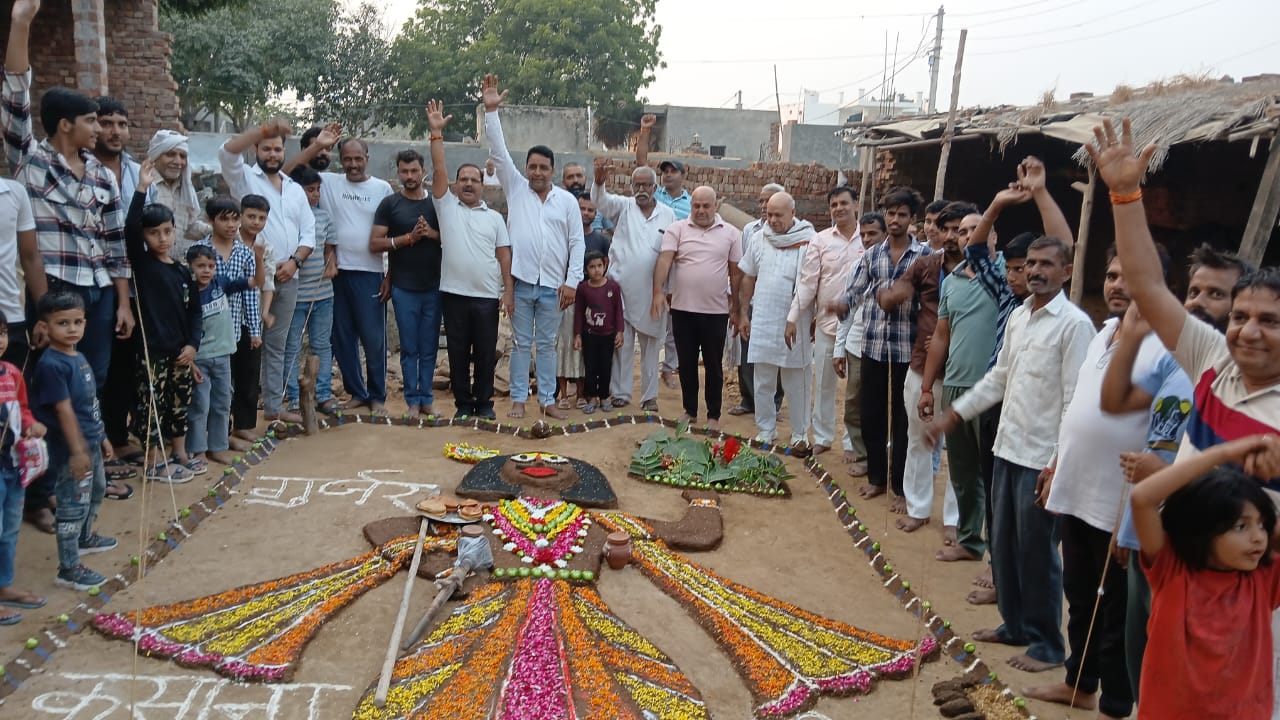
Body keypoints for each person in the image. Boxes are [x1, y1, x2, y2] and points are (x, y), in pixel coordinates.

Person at [1089, 115, 1280, 702]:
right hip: (1171, 558)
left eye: (1270, 321)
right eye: (1241, 316)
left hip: (1255, 595)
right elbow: (1148, 287)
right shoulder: (1212, 357)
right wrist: (1126, 195)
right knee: (1159, 687)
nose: (1248, 331)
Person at [926, 235, 1094, 673]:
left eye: (1046, 264)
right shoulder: (1019, 315)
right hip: (1007, 447)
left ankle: (1047, 645)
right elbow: (999, 377)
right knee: (1003, 544)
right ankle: (1015, 625)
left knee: (1038, 552)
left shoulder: (1074, 326)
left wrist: (1057, 464)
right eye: (1030, 263)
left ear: (1067, 272)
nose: (1035, 271)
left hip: (1041, 458)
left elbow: (1074, 401)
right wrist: (955, 414)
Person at [1025, 244, 1173, 718]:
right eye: (1111, 276)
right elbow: (1078, 406)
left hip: (1119, 506)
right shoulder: (1104, 332)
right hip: (1078, 492)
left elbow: (1164, 442)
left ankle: (1114, 702)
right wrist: (1055, 465)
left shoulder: (1167, 349)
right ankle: (1079, 684)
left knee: (1116, 612)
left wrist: (1133, 519)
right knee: (1081, 597)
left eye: (1130, 277)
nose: (1117, 285)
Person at [4, 3, 135, 534]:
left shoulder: (102, 177)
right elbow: (15, 96)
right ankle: (38, 494)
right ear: (65, 125)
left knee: (88, 386)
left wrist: (123, 301)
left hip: (98, 295)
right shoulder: (31, 161)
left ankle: (79, 479)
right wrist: (22, 22)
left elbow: (115, 243)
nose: (99, 128)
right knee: (44, 393)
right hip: (54, 293)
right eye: (91, 121)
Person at [1099, 243, 1249, 700]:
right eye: (1195, 291)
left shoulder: (1243, 387)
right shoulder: (1176, 361)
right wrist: (1132, 338)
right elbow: (1115, 401)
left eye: (1217, 294)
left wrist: (1162, 472)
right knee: (1140, 656)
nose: (1200, 302)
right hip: (1147, 532)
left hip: (1194, 548)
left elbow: (1237, 481)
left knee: (1177, 665)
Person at [1129, 434, 1280, 719]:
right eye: (1241, 526)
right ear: (1203, 530)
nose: (1259, 537)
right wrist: (1224, 453)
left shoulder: (1264, 578)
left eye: (1262, 524)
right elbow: (1142, 498)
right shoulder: (1171, 571)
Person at [481, 74, 584, 420]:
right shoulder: (515, 187)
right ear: (525, 169)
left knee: (548, 345)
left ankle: (548, 400)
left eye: (543, 167)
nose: (537, 172)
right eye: (532, 166)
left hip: (554, 287)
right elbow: (498, 151)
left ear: (553, 170)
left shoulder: (566, 201)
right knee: (521, 344)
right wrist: (491, 111)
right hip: (522, 283)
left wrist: (572, 282)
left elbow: (576, 242)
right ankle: (518, 399)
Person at [878, 201, 969, 536]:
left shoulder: (986, 273)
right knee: (917, 438)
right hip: (922, 369)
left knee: (961, 449)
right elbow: (897, 292)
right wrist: (890, 295)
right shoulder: (926, 265)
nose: (951, 236)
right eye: (946, 229)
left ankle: (955, 520)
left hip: (965, 372)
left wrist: (951, 340)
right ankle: (917, 508)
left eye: (959, 230)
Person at [836, 187, 929, 513]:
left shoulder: (925, 256)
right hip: (874, 346)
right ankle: (877, 478)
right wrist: (841, 305)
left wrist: (905, 295)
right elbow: (855, 290)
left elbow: (932, 299)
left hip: (908, 350)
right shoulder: (872, 255)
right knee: (872, 414)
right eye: (891, 213)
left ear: (912, 219)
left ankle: (901, 487)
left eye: (902, 214)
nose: (895, 220)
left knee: (903, 421)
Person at [217, 118, 315, 427]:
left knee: (277, 344)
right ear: (256, 150)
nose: (272, 155)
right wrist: (263, 130)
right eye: (266, 148)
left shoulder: (295, 189)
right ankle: (233, 418)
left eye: (277, 149)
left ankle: (273, 407)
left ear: (285, 151)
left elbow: (309, 233)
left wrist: (295, 262)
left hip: (289, 275)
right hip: (252, 277)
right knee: (243, 343)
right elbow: (227, 152)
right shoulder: (245, 178)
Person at [424, 99, 513, 420]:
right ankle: (463, 404)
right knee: (458, 353)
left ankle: (484, 404)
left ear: (483, 185)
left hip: (487, 297)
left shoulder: (495, 218)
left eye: (474, 179)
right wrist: (436, 134)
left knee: (486, 354)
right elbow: (438, 169)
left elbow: (504, 256)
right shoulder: (446, 207)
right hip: (454, 295)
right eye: (463, 179)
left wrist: (508, 291)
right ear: (456, 184)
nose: (469, 184)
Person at [30, 291, 116, 591]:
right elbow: (64, 410)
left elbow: (89, 404)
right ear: (45, 326)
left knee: (97, 489)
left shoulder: (78, 357)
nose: (72, 329)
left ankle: (84, 537)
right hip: (70, 449)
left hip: (90, 442)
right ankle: (68, 567)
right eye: (62, 323)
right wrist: (78, 451)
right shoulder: (52, 365)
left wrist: (101, 436)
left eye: (78, 322)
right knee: (72, 504)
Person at [125, 161, 203, 483]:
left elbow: (195, 313)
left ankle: (179, 453)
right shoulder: (143, 265)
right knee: (152, 406)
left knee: (179, 403)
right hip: (152, 353)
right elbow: (130, 229)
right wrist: (141, 188)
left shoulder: (183, 271)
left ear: (174, 230)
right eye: (154, 233)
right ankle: (153, 462)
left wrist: (193, 346)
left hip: (181, 354)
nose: (162, 238)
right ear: (144, 236)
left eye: (167, 231)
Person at [651, 186, 742, 431]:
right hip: (683, 310)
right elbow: (665, 260)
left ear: (715, 206)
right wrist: (658, 291)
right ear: (691, 206)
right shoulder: (677, 229)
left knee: (713, 365)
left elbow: (736, 272)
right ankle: (689, 410)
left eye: (706, 206)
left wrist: (736, 307)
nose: (701, 210)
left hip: (716, 312)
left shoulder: (731, 233)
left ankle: (713, 415)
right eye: (696, 206)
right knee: (686, 363)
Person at [591, 159, 676, 413]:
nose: (641, 189)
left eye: (646, 185)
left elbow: (671, 254)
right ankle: (620, 393)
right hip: (621, 291)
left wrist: (668, 291)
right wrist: (599, 182)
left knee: (651, 347)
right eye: (637, 185)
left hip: (653, 293)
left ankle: (649, 397)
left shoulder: (668, 214)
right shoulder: (624, 207)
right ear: (631, 186)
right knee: (622, 344)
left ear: (655, 187)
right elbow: (600, 201)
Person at [738, 192, 815, 449]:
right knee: (763, 380)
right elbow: (748, 276)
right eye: (769, 214)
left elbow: (810, 283)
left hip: (796, 321)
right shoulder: (759, 238)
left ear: (793, 213)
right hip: (763, 318)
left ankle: (800, 434)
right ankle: (766, 429)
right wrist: (743, 313)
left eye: (778, 215)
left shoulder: (808, 240)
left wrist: (803, 317)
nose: (772, 220)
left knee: (796, 380)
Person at [788, 186, 859, 455]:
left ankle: (853, 443)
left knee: (858, 390)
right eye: (834, 205)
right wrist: (793, 317)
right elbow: (808, 283)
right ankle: (823, 437)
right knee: (824, 385)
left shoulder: (870, 238)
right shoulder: (820, 240)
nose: (838, 208)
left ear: (856, 204)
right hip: (828, 326)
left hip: (861, 330)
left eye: (844, 203)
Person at [370, 150, 440, 419]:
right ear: (398, 172)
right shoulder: (390, 205)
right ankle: (412, 400)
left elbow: (452, 237)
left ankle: (427, 399)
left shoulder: (436, 205)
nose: (409, 176)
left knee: (429, 347)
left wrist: (430, 234)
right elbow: (375, 243)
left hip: (434, 286)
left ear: (424, 171)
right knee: (410, 348)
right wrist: (409, 238)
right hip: (403, 287)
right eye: (404, 171)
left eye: (414, 171)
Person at [195, 196, 265, 453]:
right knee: (218, 387)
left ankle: (241, 427)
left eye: (235, 219)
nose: (231, 225)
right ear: (210, 220)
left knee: (245, 377)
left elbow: (251, 291)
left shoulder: (245, 252)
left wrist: (255, 330)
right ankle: (219, 435)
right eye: (224, 219)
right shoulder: (200, 251)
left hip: (238, 323)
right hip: (210, 331)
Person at [185, 244, 252, 468]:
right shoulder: (188, 295)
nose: (206, 270)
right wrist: (191, 362)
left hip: (223, 355)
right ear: (190, 267)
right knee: (200, 405)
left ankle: (218, 447)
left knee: (222, 402)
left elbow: (253, 282)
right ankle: (198, 449)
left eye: (211, 266)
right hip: (200, 359)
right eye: (200, 266)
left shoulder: (220, 284)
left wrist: (261, 260)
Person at [0, 310, 47, 624]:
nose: (0, 340)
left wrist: (31, 425)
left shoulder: (12, 373)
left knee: (9, 529)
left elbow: (23, 410)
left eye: (2, 332)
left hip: (14, 466)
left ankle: (3, 584)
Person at [637, 115, 688, 389]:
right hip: (652, 263)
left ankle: (669, 367)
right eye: (665, 171)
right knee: (652, 313)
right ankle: (649, 368)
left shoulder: (693, 203)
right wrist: (645, 132)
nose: (668, 174)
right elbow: (641, 165)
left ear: (683, 175)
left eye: (673, 171)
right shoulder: (655, 197)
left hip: (679, 265)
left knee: (674, 319)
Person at [833, 212, 886, 477]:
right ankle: (862, 454)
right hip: (857, 346)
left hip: (889, 348)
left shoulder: (902, 264)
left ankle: (884, 459)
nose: (866, 239)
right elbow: (848, 311)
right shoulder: (858, 266)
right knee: (855, 403)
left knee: (883, 406)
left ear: (885, 234)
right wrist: (838, 349)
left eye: (872, 234)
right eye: (863, 234)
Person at [284, 166, 339, 415]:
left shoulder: (325, 217)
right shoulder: (287, 217)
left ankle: (324, 395)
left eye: (318, 190)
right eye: (310, 190)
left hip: (323, 293)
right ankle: (294, 398)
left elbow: (329, 249)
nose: (315, 195)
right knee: (292, 347)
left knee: (322, 345)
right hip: (294, 295)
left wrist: (331, 265)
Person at [728, 183, 786, 418]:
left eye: (768, 201)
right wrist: (738, 306)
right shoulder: (750, 230)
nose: (763, 206)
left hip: (779, 302)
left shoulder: (791, 232)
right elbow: (744, 268)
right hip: (752, 301)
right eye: (761, 201)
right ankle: (748, 399)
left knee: (776, 352)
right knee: (747, 350)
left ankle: (774, 403)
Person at [553, 196, 608, 410]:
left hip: (590, 301)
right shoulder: (563, 236)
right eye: (581, 209)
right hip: (564, 299)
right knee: (563, 344)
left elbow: (605, 269)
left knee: (586, 346)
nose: (585, 213)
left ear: (596, 214)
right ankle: (561, 393)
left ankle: (584, 393)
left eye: (590, 210)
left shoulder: (601, 240)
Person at [145, 129, 210, 261]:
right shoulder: (144, 184)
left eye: (182, 156)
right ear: (156, 156)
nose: (178, 161)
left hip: (173, 263)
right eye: (170, 154)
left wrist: (217, 230)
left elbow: (189, 226)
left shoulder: (184, 188)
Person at [574, 251, 624, 414]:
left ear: (605, 266)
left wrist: (620, 331)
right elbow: (579, 312)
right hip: (589, 335)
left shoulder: (613, 287)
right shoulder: (583, 289)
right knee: (590, 367)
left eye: (599, 266)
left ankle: (604, 397)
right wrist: (578, 334)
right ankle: (592, 397)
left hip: (608, 335)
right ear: (585, 269)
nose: (596, 270)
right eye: (592, 267)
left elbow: (618, 311)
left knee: (605, 366)